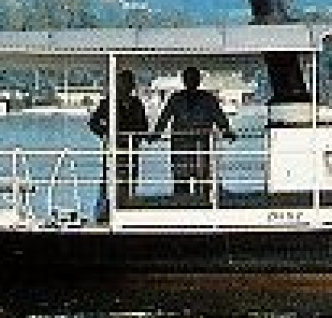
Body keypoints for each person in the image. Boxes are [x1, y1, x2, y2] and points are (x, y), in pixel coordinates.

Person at [151, 66, 236, 195]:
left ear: (198, 80)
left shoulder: (208, 98)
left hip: (201, 145)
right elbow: (164, 118)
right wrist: (156, 135)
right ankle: (181, 204)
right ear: (184, 80)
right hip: (181, 146)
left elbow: (219, 117)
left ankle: (203, 203)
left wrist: (226, 131)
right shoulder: (176, 98)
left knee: (202, 180)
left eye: (193, 78)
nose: (191, 81)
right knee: (180, 181)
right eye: (188, 78)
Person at [88, 68, 150, 217]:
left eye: (129, 83)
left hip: (132, 148)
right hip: (114, 148)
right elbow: (93, 123)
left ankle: (127, 207)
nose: (127, 87)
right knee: (109, 178)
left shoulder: (137, 104)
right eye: (124, 83)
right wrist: (106, 133)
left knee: (130, 178)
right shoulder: (108, 102)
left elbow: (144, 126)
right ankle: (104, 210)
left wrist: (138, 136)